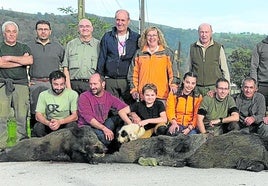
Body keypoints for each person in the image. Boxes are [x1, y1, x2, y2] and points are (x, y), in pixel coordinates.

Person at [0, 21, 33, 148]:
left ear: (17, 33)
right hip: (2, 84)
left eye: (14, 31)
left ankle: (22, 145)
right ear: (4, 33)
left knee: (22, 115)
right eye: (9, 31)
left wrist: (7, 58)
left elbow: (29, 60)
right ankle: (2, 146)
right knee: (2, 116)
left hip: (21, 85)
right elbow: (0, 63)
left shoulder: (24, 47)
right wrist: (20, 61)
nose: (11, 34)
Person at [97, 9, 140, 104]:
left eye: (123, 20)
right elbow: (102, 58)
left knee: (129, 107)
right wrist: (100, 78)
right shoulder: (107, 37)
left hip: (128, 80)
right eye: (118, 20)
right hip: (110, 80)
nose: (120, 23)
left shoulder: (136, 38)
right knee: (112, 108)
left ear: (128, 21)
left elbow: (139, 60)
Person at [128, 26, 180, 104]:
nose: (151, 37)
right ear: (145, 38)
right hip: (143, 95)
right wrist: (134, 90)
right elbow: (133, 74)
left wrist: (173, 85)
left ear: (158, 37)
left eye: (154, 35)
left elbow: (173, 73)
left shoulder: (166, 53)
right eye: (149, 35)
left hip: (161, 95)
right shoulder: (139, 53)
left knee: (161, 116)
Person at [28, 20, 65, 128]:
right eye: (40, 29)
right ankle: (34, 138)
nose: (43, 32)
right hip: (35, 84)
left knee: (53, 112)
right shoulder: (29, 47)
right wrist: (26, 81)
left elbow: (66, 65)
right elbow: (22, 65)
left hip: (53, 85)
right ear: (36, 31)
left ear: (50, 31)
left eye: (45, 29)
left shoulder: (58, 47)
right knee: (35, 113)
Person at [78, 73, 128, 148]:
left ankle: (118, 139)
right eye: (90, 84)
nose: (92, 87)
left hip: (102, 124)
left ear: (103, 84)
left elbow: (123, 107)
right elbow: (89, 119)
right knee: (106, 139)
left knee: (121, 117)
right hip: (88, 127)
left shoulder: (108, 96)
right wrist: (105, 129)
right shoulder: (84, 97)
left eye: (95, 84)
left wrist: (134, 115)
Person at [187, 23, 230, 96]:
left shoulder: (218, 48)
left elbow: (225, 70)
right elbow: (188, 68)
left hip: (213, 89)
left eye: (206, 32)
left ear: (211, 33)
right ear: (198, 33)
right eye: (202, 32)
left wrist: (227, 89)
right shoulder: (192, 48)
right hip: (196, 89)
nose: (204, 35)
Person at [32, 70, 78, 137]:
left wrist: (59, 122)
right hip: (49, 123)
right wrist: (48, 123)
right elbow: (38, 115)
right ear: (51, 83)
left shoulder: (72, 94)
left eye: (62, 84)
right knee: (38, 127)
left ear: (65, 83)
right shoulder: (43, 95)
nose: (59, 88)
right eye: (56, 84)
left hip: (65, 122)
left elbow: (75, 116)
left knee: (73, 126)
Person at [63, 18, 100, 95]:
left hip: (92, 86)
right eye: (82, 26)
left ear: (92, 28)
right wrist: (69, 89)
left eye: (87, 26)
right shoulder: (70, 45)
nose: (85, 28)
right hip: (73, 85)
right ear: (78, 29)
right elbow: (65, 68)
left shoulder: (99, 45)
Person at [250, 36, 268, 108]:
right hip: (262, 86)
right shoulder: (260, 46)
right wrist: (254, 84)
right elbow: (253, 67)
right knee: (260, 111)